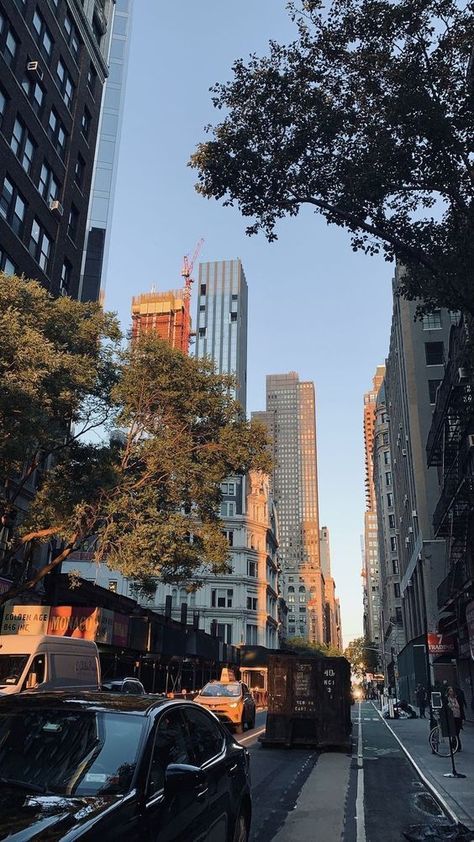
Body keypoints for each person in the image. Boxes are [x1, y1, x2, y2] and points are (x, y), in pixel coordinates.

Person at [446, 685, 465, 750]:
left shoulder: (456, 698)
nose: (451, 693)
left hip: (458, 717)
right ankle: (456, 746)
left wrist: (462, 718)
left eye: (452, 691)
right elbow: (449, 707)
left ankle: (455, 746)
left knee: (457, 732)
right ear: (448, 692)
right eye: (450, 691)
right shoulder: (447, 699)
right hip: (452, 717)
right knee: (454, 732)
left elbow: (459, 707)